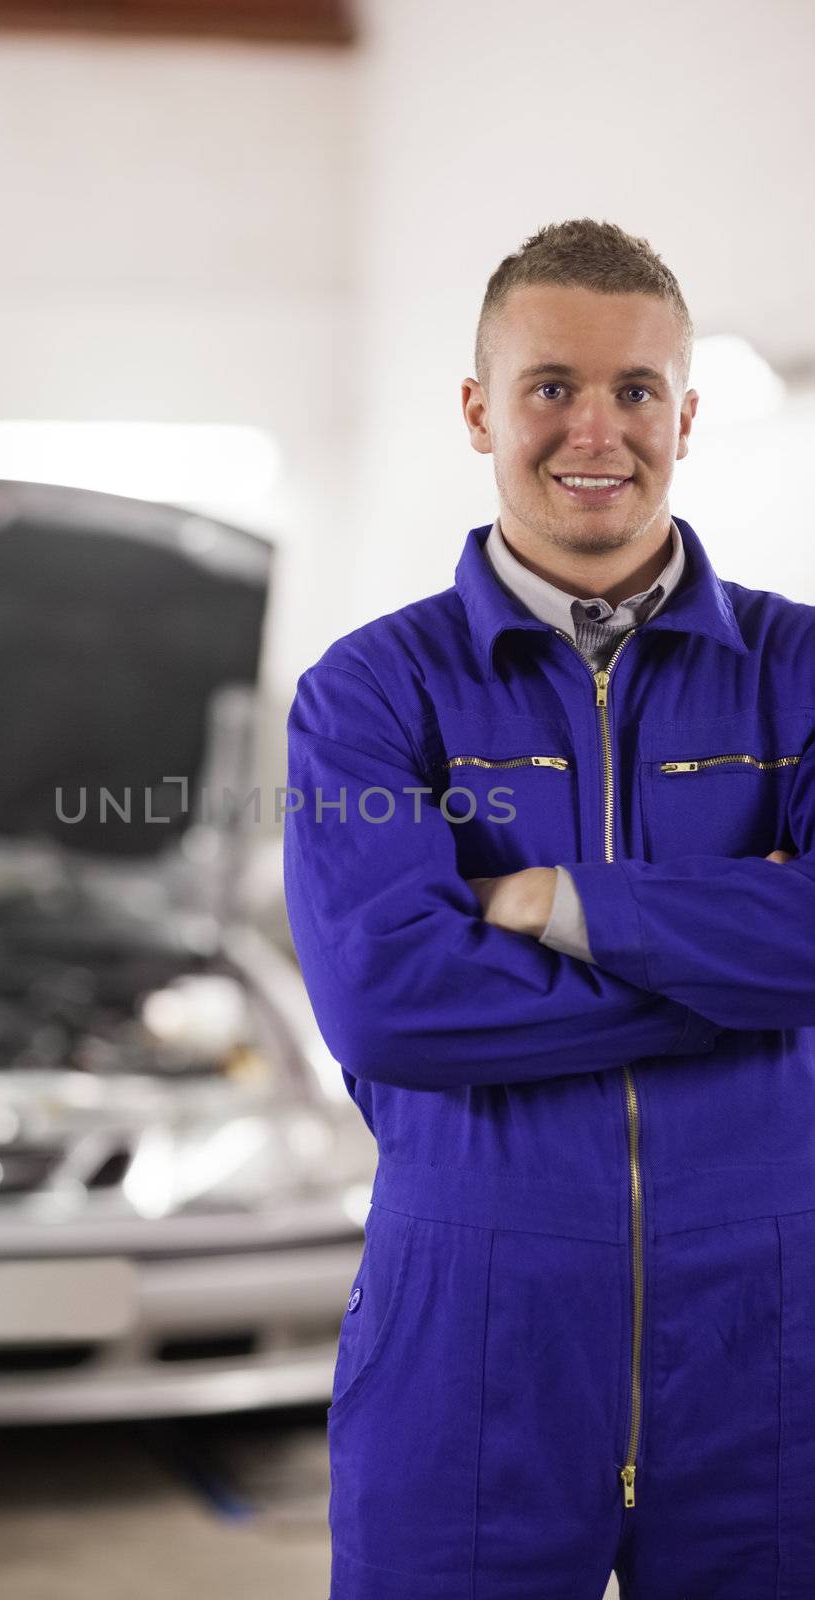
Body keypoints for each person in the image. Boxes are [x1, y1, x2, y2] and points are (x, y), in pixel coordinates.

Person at [282, 218, 815, 1600]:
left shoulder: (799, 673)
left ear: (686, 415)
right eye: (550, 387)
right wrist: (746, 969)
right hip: (472, 1334)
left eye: (637, 389)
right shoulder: (372, 693)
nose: (598, 428)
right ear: (479, 409)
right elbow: (394, 1002)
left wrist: (556, 900)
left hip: (771, 1337)